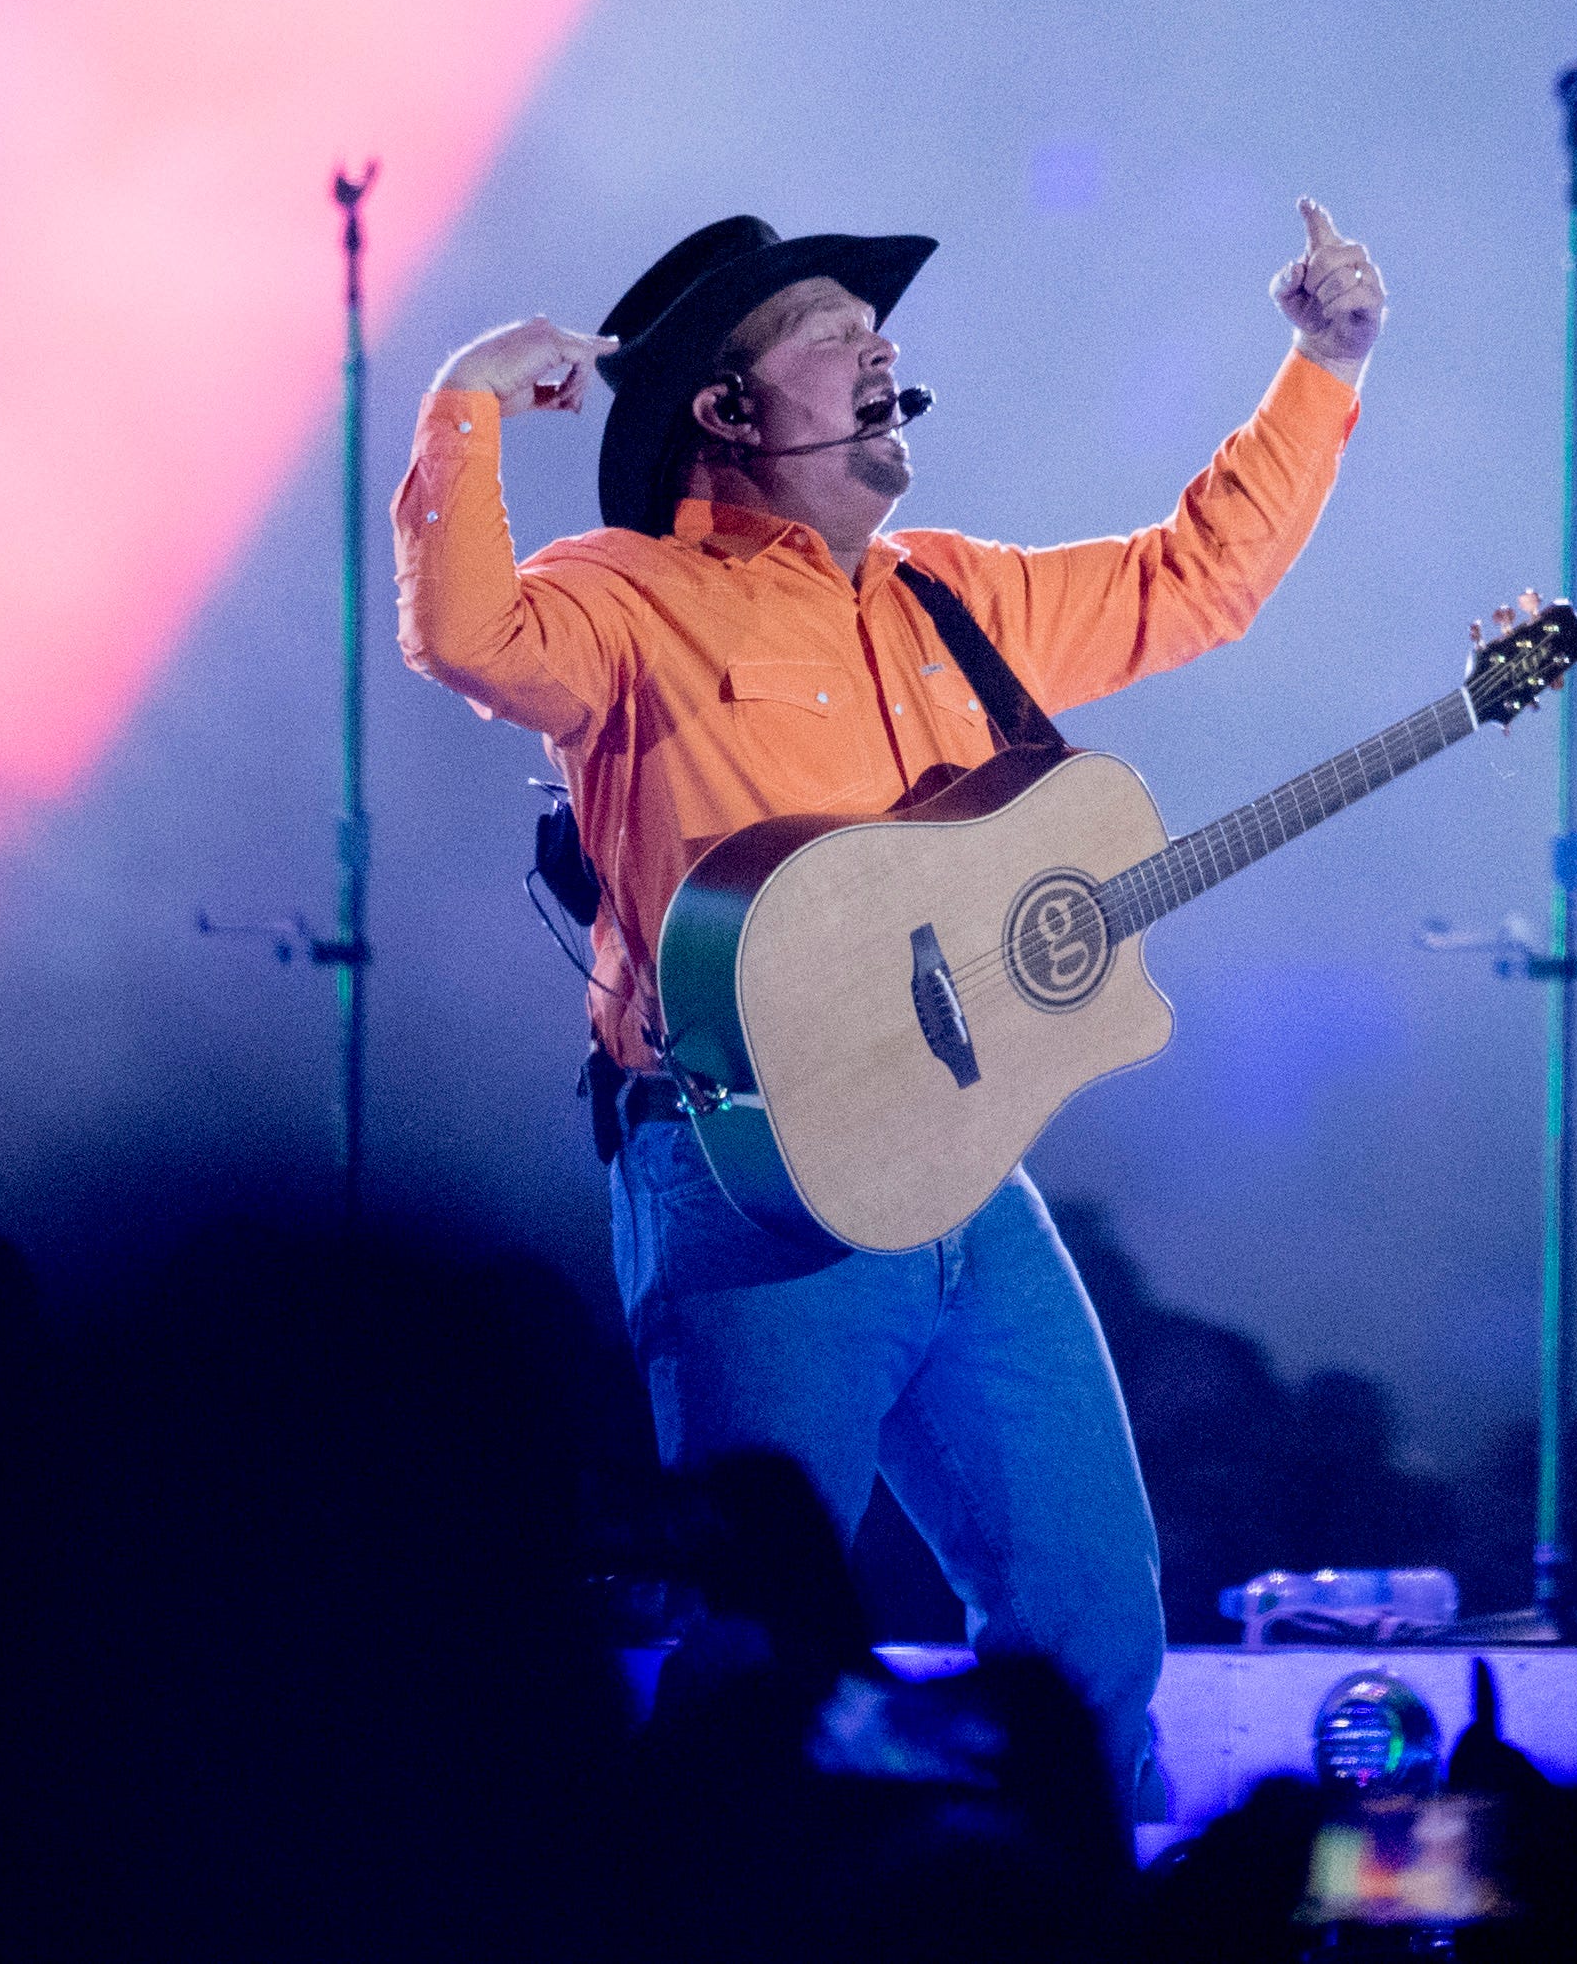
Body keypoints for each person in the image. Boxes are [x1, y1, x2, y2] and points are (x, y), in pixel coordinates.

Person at [398, 196, 1389, 1809]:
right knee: (763, 1667)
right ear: (724, 410)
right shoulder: (630, 595)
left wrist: (1320, 368)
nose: (881, 347)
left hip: (961, 1171)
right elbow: (463, 632)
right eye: (829, 331)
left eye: (880, 333)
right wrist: (469, 393)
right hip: (745, 1180)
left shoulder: (945, 591)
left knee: (1092, 1634)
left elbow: (1192, 580)